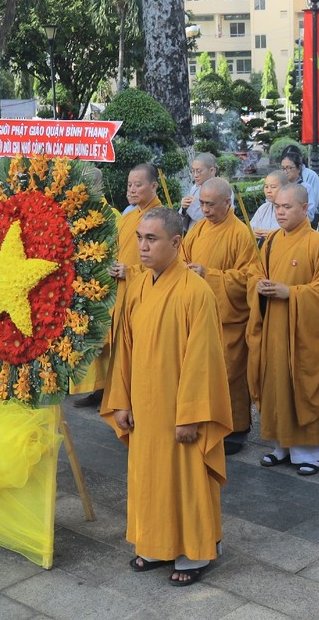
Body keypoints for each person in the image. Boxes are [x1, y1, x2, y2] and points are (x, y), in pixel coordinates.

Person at [111, 207, 232, 587]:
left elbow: (204, 361)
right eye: (139, 239)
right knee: (149, 476)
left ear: (176, 243)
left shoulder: (195, 292)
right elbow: (124, 348)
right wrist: (122, 401)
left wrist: (191, 416)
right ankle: (156, 543)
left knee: (185, 478)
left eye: (152, 239)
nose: (142, 247)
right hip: (145, 407)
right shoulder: (139, 286)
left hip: (179, 409)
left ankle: (194, 551)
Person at [246, 184, 319, 475]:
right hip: (273, 326)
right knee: (276, 383)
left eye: (287, 207)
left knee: (304, 384)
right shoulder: (271, 240)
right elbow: (255, 272)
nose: (281, 212)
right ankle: (281, 446)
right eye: (278, 207)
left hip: (304, 333)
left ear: (305, 208)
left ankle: (309, 452)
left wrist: (292, 293)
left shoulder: (318, 244)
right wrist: (258, 285)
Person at [182, 177, 262, 454]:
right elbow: (181, 256)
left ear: (228, 203)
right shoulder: (198, 229)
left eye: (211, 204)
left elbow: (249, 277)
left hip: (228, 317)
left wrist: (210, 276)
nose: (204, 210)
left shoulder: (242, 233)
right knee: (202, 372)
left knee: (230, 373)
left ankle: (237, 428)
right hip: (199, 314)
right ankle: (208, 420)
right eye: (202, 203)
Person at [92, 164, 164, 409]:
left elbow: (168, 263)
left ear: (154, 186)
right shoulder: (129, 217)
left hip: (145, 298)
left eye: (138, 184)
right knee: (121, 356)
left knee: (141, 357)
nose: (131, 190)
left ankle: (142, 407)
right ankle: (122, 405)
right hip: (121, 295)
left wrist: (131, 271)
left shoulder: (161, 219)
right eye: (129, 185)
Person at [178, 153, 218, 231]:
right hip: (193, 232)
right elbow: (185, 215)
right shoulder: (194, 188)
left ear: (212, 170)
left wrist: (193, 205)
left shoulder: (222, 189)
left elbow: (215, 218)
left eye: (199, 171)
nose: (195, 175)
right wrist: (184, 208)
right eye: (193, 171)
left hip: (209, 232)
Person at [282, 145, 319, 222]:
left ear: (299, 168)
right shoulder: (281, 185)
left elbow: (310, 210)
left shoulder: (307, 186)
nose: (286, 171)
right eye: (283, 168)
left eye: (289, 168)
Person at [251, 170, 287, 241]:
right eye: (266, 187)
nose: (268, 191)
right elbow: (251, 228)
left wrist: (274, 236)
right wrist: (253, 233)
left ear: (285, 187)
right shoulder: (263, 208)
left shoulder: (292, 210)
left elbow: (294, 236)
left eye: (273, 187)